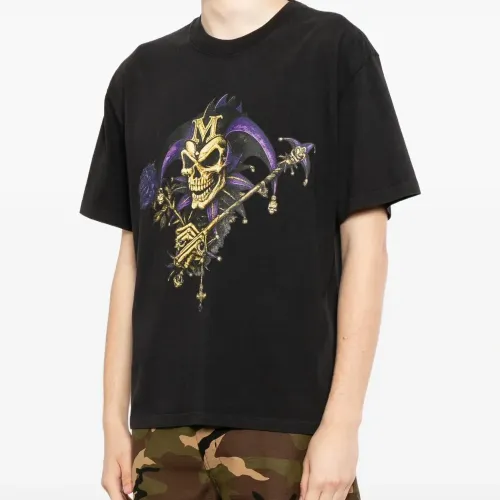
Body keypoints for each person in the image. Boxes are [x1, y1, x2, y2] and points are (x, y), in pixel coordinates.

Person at [80, 0, 420, 498]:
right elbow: (131, 260)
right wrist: (114, 419)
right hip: (159, 434)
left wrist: (342, 423)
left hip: (289, 430)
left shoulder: (335, 51)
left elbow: (366, 246)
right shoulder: (139, 75)